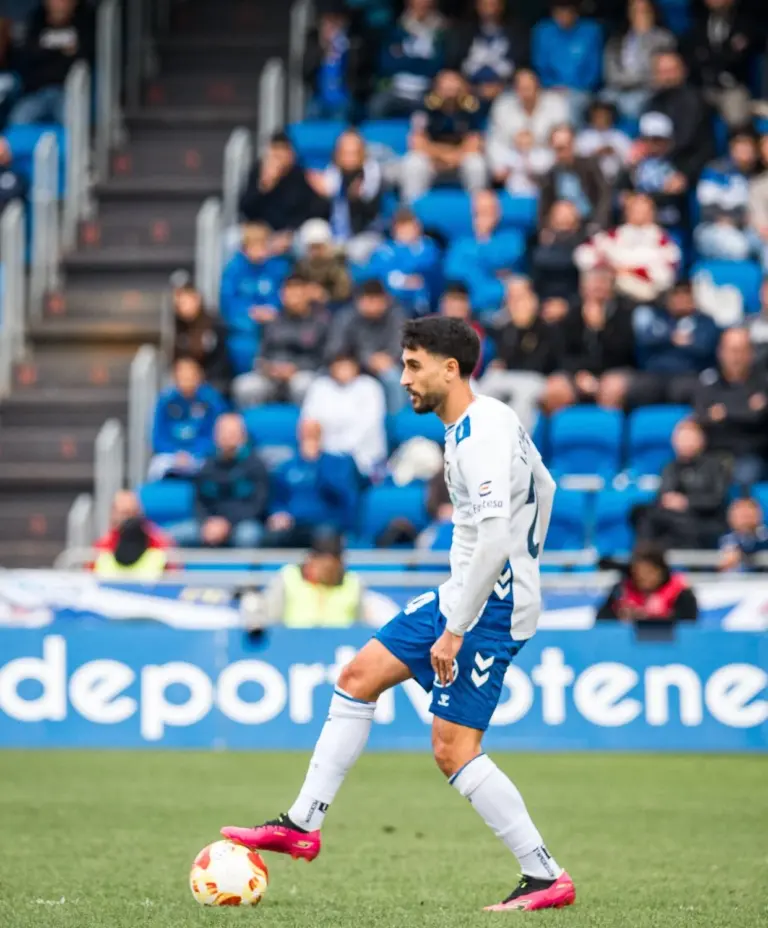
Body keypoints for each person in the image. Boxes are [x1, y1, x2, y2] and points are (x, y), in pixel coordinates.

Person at [222, 317, 576, 914]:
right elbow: (545, 487)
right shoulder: (473, 424)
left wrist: (457, 628)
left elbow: (493, 541)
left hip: (491, 603)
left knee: (452, 749)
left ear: (450, 369)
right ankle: (303, 823)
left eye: (413, 366)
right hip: (465, 590)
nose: (403, 377)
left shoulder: (483, 432)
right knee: (358, 678)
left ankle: (544, 875)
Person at [600, 277, 717, 410]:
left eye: (685, 293)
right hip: (652, 376)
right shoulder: (655, 317)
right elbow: (644, 342)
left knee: (695, 390)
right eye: (676, 294)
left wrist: (664, 341)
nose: (681, 298)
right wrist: (673, 339)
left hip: (688, 376)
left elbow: (704, 348)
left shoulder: (705, 322)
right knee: (615, 387)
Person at [541, 268, 635, 413]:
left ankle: (604, 432)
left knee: (611, 389)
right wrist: (579, 374)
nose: (598, 289)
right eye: (593, 285)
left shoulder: (623, 313)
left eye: (602, 284)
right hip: (578, 373)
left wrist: (600, 329)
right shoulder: (571, 315)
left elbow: (623, 354)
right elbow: (562, 354)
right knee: (555, 389)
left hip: (612, 371)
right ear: (583, 288)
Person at [170, 414, 269, 549]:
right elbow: (198, 502)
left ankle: (242, 570)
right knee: (171, 536)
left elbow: (257, 506)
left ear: (243, 436)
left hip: (243, 523)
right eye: (223, 432)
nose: (227, 437)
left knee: (248, 536)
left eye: (232, 432)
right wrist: (207, 522)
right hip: (210, 523)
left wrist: (227, 523)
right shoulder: (207, 465)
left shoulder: (256, 465)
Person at [232, 273, 327, 409]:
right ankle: (255, 427)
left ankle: (304, 427)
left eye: (297, 292)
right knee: (244, 386)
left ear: (307, 293)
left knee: (303, 385)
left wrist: (296, 368)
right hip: (272, 374)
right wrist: (267, 368)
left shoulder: (320, 322)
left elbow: (323, 358)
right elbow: (261, 354)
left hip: (303, 373)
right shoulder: (273, 321)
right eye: (288, 292)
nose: (292, 297)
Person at [243, 535, 373, 629]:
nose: (327, 570)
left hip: (340, 654)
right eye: (322, 563)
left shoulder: (354, 582)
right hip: (293, 651)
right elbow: (272, 618)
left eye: (333, 564)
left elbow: (360, 625)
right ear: (311, 559)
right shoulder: (288, 576)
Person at [479, 277, 559, 430]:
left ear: (532, 298)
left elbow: (540, 363)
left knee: (522, 397)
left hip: (537, 378)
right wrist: (517, 329)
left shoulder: (546, 327)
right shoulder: (506, 327)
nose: (515, 303)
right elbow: (504, 359)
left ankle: (516, 445)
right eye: (511, 298)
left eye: (520, 297)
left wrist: (525, 327)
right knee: (485, 388)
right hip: (510, 376)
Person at [264, 419, 359, 547]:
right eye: (306, 434)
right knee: (271, 537)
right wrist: (279, 513)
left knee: (325, 534)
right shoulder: (287, 467)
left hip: (324, 522)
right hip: (293, 524)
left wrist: (316, 463)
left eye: (313, 433)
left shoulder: (336, 464)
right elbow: (278, 499)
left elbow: (343, 496)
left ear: (320, 436)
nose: (309, 438)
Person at [635, 420, 728, 549]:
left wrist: (686, 502)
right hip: (673, 519)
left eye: (690, 438)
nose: (685, 443)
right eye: (682, 439)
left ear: (701, 441)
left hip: (703, 520)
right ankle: (645, 557)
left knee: (682, 526)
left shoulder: (715, 466)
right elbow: (663, 496)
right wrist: (668, 501)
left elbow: (718, 499)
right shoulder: (670, 467)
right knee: (640, 512)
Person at [694, 327, 768, 487]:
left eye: (742, 351)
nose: (736, 357)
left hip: (750, 455)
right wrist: (745, 409)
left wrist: (723, 412)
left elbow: (757, 417)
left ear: (751, 353)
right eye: (732, 350)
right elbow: (701, 416)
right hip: (712, 453)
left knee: (742, 479)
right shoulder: (708, 381)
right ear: (720, 352)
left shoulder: (763, 382)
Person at [574, 192, 681, 302]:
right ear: (627, 212)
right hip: (614, 295)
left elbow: (666, 276)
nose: (639, 213)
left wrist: (631, 271)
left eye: (643, 209)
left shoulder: (662, 240)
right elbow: (582, 255)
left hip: (649, 297)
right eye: (635, 209)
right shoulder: (614, 236)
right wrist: (609, 267)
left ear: (652, 212)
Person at [399, 69, 487, 203]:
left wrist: (455, 157)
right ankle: (410, 211)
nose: (451, 88)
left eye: (455, 83)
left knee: (476, 164)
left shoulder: (471, 107)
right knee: (413, 163)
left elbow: (476, 142)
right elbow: (416, 141)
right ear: (436, 87)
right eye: (446, 84)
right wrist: (444, 155)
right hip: (433, 161)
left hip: (460, 161)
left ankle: (480, 209)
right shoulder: (424, 106)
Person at [301, 352, 388, 478]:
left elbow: (370, 424)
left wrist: (341, 449)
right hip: (326, 455)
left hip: (364, 456)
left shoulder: (370, 386)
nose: (343, 370)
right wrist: (312, 442)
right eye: (339, 365)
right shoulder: (320, 386)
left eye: (347, 365)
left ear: (356, 367)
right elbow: (309, 420)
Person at [9, 0, 94, 125]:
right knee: (19, 118)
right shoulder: (36, 20)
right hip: (38, 93)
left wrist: (71, 51)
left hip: (69, 94)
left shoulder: (86, 22)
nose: (59, 4)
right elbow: (26, 58)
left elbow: (88, 58)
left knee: (72, 122)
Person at [443, 189, 527, 317]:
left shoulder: (512, 237)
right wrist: (482, 238)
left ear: (499, 212)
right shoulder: (461, 242)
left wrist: (478, 254)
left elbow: (508, 257)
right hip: (470, 307)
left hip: (504, 306)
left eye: (491, 210)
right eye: (481, 211)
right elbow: (453, 271)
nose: (486, 215)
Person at [325, 278, 406, 411]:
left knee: (392, 377)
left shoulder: (396, 315)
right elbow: (335, 348)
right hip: (353, 366)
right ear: (358, 301)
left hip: (386, 365)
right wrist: (354, 362)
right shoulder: (345, 317)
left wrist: (388, 358)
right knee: (324, 380)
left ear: (386, 300)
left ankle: (395, 421)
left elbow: (401, 346)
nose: (372, 304)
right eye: (367, 299)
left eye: (376, 299)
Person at [219, 223, 289, 375]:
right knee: (243, 347)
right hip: (245, 328)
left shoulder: (277, 267)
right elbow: (228, 303)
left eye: (263, 246)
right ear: (245, 247)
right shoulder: (234, 269)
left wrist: (273, 311)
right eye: (255, 246)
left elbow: (283, 296)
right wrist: (250, 314)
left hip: (274, 325)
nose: (260, 251)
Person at [307, 130, 384, 264]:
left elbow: (371, 218)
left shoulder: (372, 176)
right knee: (310, 235)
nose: (349, 158)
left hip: (364, 235)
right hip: (334, 233)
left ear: (363, 154)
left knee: (356, 250)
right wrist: (321, 196)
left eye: (353, 153)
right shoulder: (330, 175)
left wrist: (356, 200)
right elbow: (317, 214)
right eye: (345, 153)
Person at [148, 357, 227, 482]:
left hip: (202, 455)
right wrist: (175, 453)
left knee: (214, 468)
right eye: (183, 377)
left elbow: (217, 434)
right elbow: (157, 437)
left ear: (199, 377)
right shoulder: (165, 401)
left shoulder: (211, 400)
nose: (187, 382)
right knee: (156, 468)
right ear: (175, 378)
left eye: (191, 377)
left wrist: (195, 452)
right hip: (171, 455)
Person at [640, 51, 714, 182]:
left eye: (671, 70)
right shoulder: (652, 102)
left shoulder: (694, 100)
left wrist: (684, 174)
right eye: (662, 72)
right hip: (657, 162)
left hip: (688, 164)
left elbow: (687, 141)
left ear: (683, 71)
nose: (667, 77)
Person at [239, 132, 327, 239]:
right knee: (234, 237)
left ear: (291, 154)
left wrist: (322, 194)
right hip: (261, 233)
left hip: (292, 233)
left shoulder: (300, 175)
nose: (279, 159)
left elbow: (313, 212)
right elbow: (245, 209)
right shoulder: (258, 173)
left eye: (283, 153)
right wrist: (264, 187)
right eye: (276, 154)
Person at [369, 0, 446, 119]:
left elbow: (438, 66)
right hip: (396, 89)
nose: (422, 3)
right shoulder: (395, 29)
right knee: (376, 106)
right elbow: (386, 64)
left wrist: (404, 59)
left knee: (437, 110)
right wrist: (421, 61)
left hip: (427, 90)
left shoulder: (441, 31)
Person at [487, 69, 569, 181]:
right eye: (521, 88)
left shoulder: (555, 103)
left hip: (546, 157)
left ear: (538, 86)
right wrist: (499, 166)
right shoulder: (502, 105)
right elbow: (494, 140)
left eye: (529, 87)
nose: (525, 92)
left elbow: (563, 137)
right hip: (512, 158)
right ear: (515, 89)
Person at [685, 0, 755, 129]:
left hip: (732, 86)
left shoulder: (743, 22)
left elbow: (738, 59)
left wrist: (707, 55)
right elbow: (693, 58)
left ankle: (742, 148)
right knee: (688, 109)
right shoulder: (699, 23)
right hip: (703, 87)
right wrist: (726, 52)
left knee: (737, 117)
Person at [695, 128, 761, 262]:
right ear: (732, 148)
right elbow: (708, 210)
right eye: (741, 147)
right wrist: (734, 219)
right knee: (739, 247)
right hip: (712, 228)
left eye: (749, 148)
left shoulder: (754, 176)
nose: (745, 152)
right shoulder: (716, 171)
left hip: (743, 228)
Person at [531, 0, 603, 124]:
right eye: (559, 12)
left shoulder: (591, 30)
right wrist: (552, 85)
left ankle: (569, 140)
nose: (564, 16)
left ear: (576, 12)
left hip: (581, 90)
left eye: (568, 11)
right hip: (549, 89)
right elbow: (539, 66)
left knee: (570, 105)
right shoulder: (543, 31)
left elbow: (594, 70)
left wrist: (573, 88)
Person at [446, 0, 526, 110]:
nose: (489, 9)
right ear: (477, 5)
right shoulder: (463, 31)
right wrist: (472, 89)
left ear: (501, 5)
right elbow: (453, 65)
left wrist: (501, 88)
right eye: (485, 4)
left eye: (493, 3)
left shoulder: (516, 32)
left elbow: (522, 67)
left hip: (508, 94)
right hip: (467, 94)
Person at [602, 0, 675, 119]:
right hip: (617, 88)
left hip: (647, 89)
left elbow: (658, 72)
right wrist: (623, 81)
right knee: (601, 103)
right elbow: (609, 71)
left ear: (653, 13)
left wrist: (643, 35)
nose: (640, 15)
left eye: (644, 11)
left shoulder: (664, 38)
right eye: (635, 11)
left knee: (631, 105)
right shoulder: (617, 39)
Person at [618, 111, 691, 228]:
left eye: (658, 140)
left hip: (667, 225)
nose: (653, 144)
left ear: (669, 141)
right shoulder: (634, 165)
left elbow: (673, 193)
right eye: (648, 139)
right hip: (636, 224)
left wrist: (643, 199)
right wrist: (630, 167)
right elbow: (623, 194)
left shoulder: (679, 164)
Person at [364, 209, 440, 318]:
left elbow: (429, 270)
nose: (410, 231)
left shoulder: (428, 247)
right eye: (404, 227)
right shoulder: (384, 251)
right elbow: (377, 275)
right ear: (395, 229)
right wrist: (403, 280)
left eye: (413, 226)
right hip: (392, 309)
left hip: (424, 307)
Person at [538, 124, 612, 232]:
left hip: (590, 223)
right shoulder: (549, 175)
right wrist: (545, 229)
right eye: (557, 149)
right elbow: (544, 207)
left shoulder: (590, 166)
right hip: (562, 228)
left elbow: (604, 196)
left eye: (564, 148)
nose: (561, 153)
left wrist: (598, 223)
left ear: (572, 145)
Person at [596, 543, 698, 621]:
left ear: (661, 571)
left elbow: (689, 624)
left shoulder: (681, 593)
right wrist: (620, 615)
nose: (643, 577)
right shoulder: (620, 592)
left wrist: (660, 617)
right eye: (638, 572)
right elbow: (602, 621)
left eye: (649, 572)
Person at [303, 0, 363, 120]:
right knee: (312, 112)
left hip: (345, 98)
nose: (331, 26)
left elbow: (358, 71)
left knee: (340, 115)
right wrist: (322, 50)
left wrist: (343, 50)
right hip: (320, 99)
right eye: (326, 21)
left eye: (335, 21)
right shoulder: (315, 41)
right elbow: (305, 73)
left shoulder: (355, 41)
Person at [92, 490, 173, 579]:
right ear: (113, 514)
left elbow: (174, 575)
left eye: (133, 513)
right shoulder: (102, 546)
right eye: (124, 513)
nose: (129, 518)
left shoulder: (159, 541)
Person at [172, 283, 231, 396]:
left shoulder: (214, 324)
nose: (181, 307)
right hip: (185, 381)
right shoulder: (177, 328)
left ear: (196, 299)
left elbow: (221, 360)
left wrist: (200, 376)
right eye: (178, 304)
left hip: (213, 379)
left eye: (184, 302)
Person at [530, 199, 584, 301]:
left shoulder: (583, 242)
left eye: (568, 215)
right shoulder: (536, 241)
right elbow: (538, 261)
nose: (564, 218)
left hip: (574, 299)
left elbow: (577, 260)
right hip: (543, 299)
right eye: (560, 214)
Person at [295, 218, 353, 305]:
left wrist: (325, 295)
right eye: (312, 248)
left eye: (318, 247)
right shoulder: (301, 266)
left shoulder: (338, 265)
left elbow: (344, 291)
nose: (315, 252)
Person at [575, 100, 632, 181]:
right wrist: (596, 153)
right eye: (598, 115)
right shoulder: (584, 137)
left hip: (616, 180)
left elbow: (629, 160)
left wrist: (615, 151)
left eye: (604, 115)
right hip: (590, 181)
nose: (601, 118)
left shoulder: (620, 136)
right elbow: (578, 159)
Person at [718, 497, 768, 572]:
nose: (745, 519)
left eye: (748, 515)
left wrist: (740, 553)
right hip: (730, 581)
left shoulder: (763, 536)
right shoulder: (722, 537)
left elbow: (760, 546)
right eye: (742, 515)